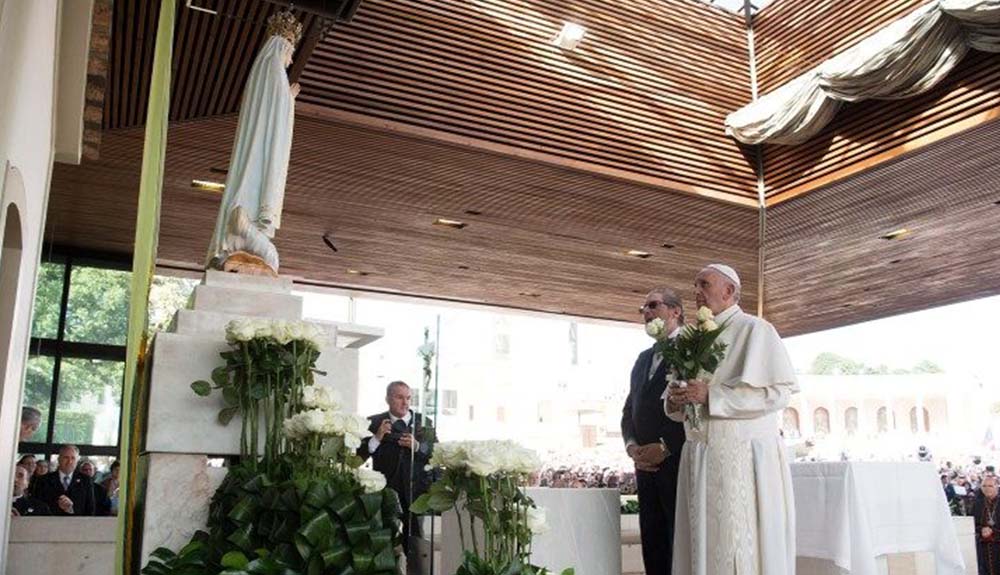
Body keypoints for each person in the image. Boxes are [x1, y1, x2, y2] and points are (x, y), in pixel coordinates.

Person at [667, 264, 798, 575]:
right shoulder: (690, 338)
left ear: (729, 291)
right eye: (695, 284)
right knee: (699, 544)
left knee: (737, 542)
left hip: (739, 456)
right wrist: (676, 399)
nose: (696, 291)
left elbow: (778, 394)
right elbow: (680, 402)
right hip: (699, 454)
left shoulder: (756, 330)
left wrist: (712, 396)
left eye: (704, 284)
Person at [621, 287, 687, 575]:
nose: (646, 312)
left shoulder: (692, 351)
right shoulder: (641, 359)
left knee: (679, 539)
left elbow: (695, 410)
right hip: (645, 466)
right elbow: (629, 409)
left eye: (653, 305)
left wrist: (665, 446)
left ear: (675, 311)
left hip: (676, 461)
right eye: (643, 309)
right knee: (653, 539)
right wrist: (632, 446)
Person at [358, 381, 434, 550]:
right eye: (399, 397)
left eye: (408, 398)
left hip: (415, 491)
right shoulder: (373, 422)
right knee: (382, 538)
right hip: (384, 492)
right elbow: (359, 456)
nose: (405, 403)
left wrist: (416, 447)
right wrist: (376, 438)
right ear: (388, 399)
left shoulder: (424, 422)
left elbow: (435, 452)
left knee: (416, 542)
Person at [33, 445, 96, 516]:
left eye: (73, 458)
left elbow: (90, 509)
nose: (69, 461)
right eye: (66, 457)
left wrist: (71, 509)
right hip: (49, 524)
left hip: (76, 524)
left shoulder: (86, 480)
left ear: (77, 461)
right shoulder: (43, 480)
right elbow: (37, 506)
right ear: (59, 459)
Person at [974, 475, 1000, 574]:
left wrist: (992, 531)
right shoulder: (977, 504)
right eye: (984, 486)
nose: (987, 488)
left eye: (990, 486)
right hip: (983, 549)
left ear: (997, 486)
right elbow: (972, 525)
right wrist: (981, 529)